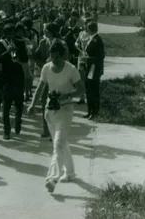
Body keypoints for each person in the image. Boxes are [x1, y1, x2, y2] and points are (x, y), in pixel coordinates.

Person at [27, 41, 86, 193]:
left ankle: (52, 179)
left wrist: (67, 95)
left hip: (65, 111)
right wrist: (33, 104)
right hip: (49, 112)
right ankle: (70, 173)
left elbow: (81, 89)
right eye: (51, 57)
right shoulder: (46, 68)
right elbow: (40, 88)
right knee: (61, 143)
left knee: (58, 145)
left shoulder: (71, 69)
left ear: (63, 55)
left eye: (56, 57)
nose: (53, 60)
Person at [33, 22, 69, 139]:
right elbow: (37, 56)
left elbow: (65, 58)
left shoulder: (61, 43)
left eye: (46, 29)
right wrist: (42, 65)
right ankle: (46, 129)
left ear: (52, 31)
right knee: (45, 103)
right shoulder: (43, 42)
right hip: (46, 77)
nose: (44, 31)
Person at [0, 24, 26, 140]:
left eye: (12, 33)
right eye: (8, 34)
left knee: (19, 104)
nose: (11, 36)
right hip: (6, 78)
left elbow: (25, 58)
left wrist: (19, 52)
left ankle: (18, 121)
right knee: (6, 106)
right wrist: (7, 52)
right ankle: (6, 130)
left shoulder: (20, 42)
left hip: (18, 76)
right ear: (5, 34)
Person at [83, 21, 105, 119]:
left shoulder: (97, 40)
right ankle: (90, 110)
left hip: (94, 68)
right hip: (90, 68)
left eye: (87, 28)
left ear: (90, 29)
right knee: (88, 89)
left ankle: (95, 111)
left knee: (93, 90)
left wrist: (87, 59)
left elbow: (100, 57)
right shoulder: (92, 39)